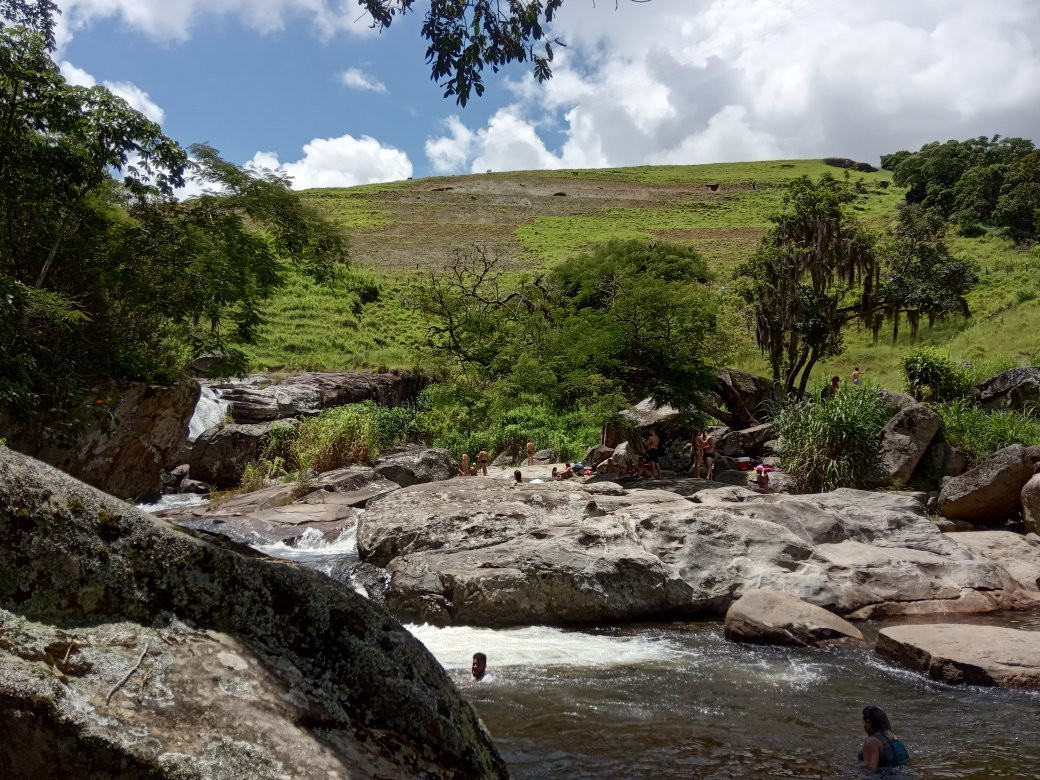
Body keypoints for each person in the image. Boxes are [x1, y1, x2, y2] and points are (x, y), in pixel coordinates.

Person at [858, 705, 909, 771]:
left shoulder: (872, 741)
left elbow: (869, 770)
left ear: (868, 723)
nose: (863, 726)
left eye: (863, 723)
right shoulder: (893, 738)